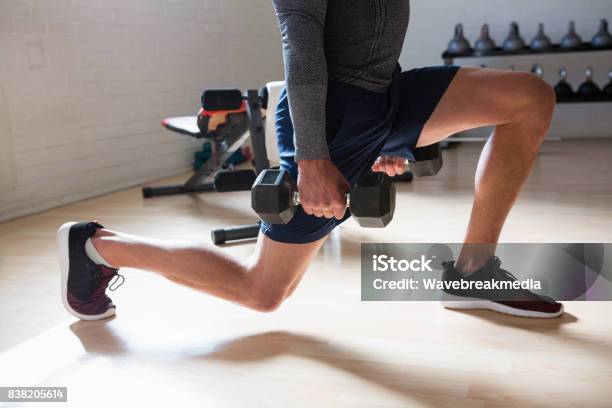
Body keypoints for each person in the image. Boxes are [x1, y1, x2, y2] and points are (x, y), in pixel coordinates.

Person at [56, 0, 563, 321]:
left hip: (386, 93)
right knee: (261, 292)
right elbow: (300, 55)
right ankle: (98, 247)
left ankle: (473, 270)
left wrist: (396, 133)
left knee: (529, 98)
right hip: (330, 114)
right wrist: (314, 160)